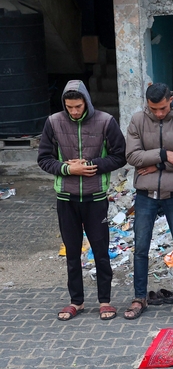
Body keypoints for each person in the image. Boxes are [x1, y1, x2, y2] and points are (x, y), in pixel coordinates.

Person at [37, 80, 126, 321]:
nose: (74, 111)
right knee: (73, 252)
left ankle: (105, 301)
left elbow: (120, 156)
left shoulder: (106, 121)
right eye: (69, 107)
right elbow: (44, 159)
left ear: (86, 101)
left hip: (96, 198)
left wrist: (92, 166)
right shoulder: (53, 122)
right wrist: (67, 169)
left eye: (78, 106)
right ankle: (76, 301)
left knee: (100, 251)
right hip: (66, 199)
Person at [124, 83, 173, 319]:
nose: (159, 113)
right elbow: (132, 156)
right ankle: (139, 298)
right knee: (140, 248)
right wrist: (166, 155)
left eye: (163, 108)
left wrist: (155, 163)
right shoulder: (137, 120)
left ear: (171, 100)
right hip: (146, 195)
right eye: (153, 109)